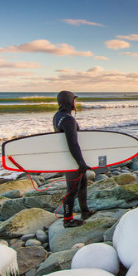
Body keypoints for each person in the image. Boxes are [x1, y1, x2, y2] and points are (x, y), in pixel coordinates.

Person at [53, 90, 94, 227]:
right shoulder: (68, 119)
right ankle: (67, 219)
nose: (76, 103)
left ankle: (85, 211)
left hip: (69, 156)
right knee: (72, 190)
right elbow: (72, 142)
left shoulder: (58, 116)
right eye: (74, 100)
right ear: (70, 102)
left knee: (83, 183)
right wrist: (80, 162)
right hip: (72, 159)